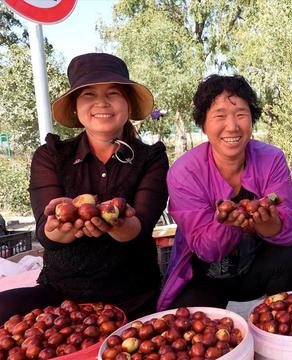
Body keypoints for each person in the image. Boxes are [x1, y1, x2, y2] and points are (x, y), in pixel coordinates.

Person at [0, 53, 169, 322]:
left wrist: (119, 224)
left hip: (133, 297)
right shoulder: (51, 155)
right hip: (61, 297)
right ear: (76, 107)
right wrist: (59, 229)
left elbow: (141, 226)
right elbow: (46, 231)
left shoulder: (151, 158)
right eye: (88, 94)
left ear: (127, 104)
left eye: (113, 93)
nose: (101, 102)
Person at [157, 75, 292, 310]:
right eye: (219, 115)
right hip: (204, 277)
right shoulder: (184, 172)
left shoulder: (272, 159)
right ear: (203, 123)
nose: (232, 126)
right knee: (191, 333)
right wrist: (229, 225)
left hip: (253, 270)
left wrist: (270, 223)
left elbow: (287, 232)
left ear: (252, 118)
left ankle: (282, 326)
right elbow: (206, 250)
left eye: (241, 114)